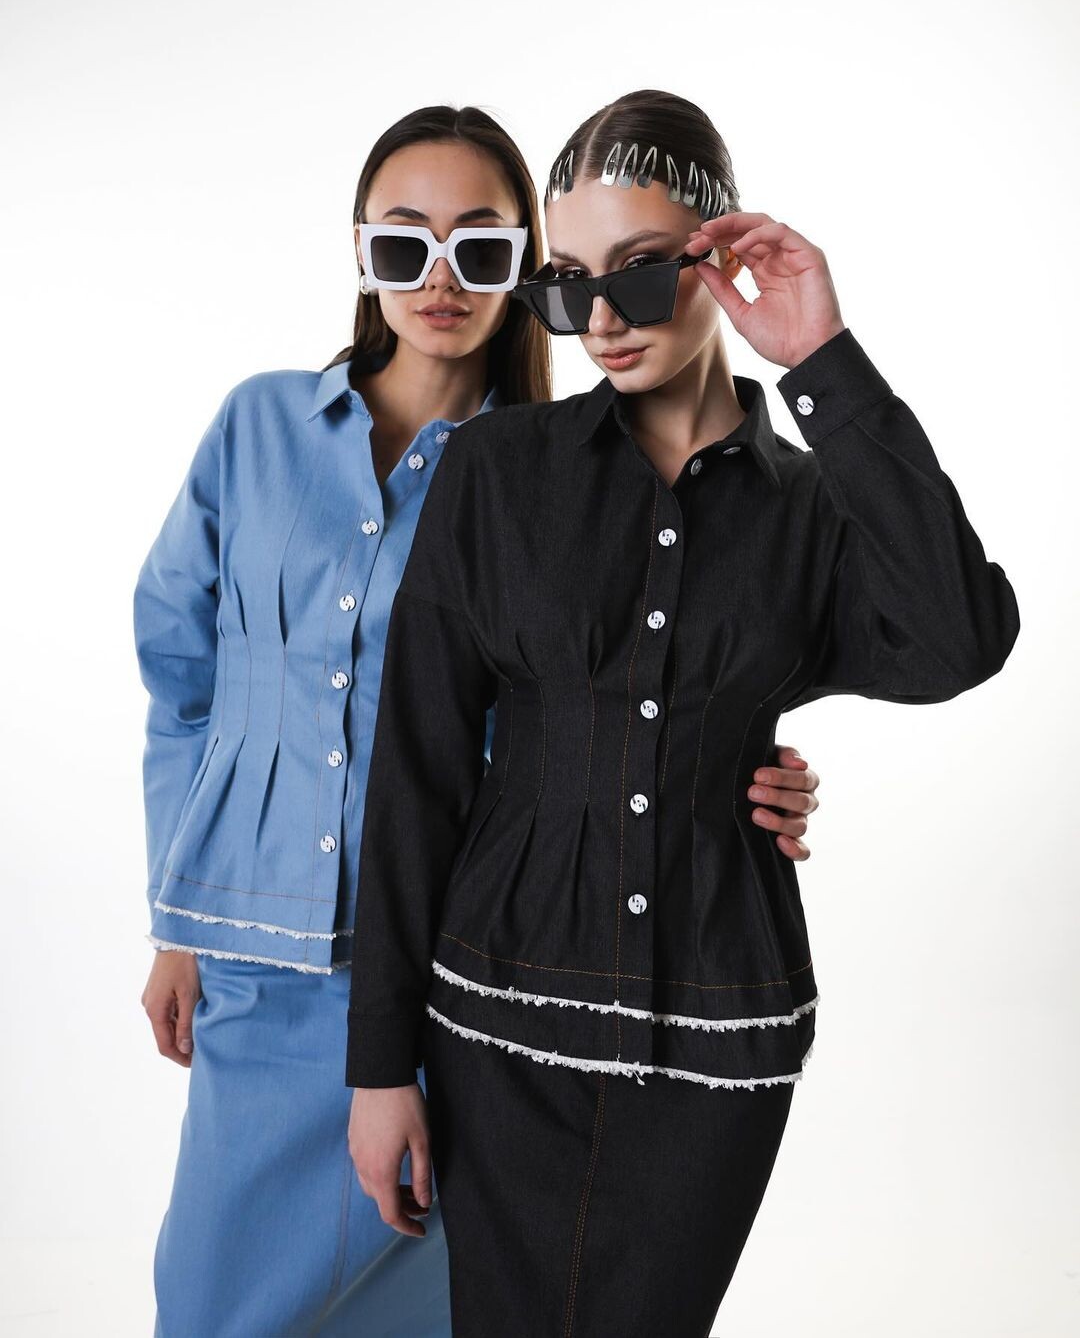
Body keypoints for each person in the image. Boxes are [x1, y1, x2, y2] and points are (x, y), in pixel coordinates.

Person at [134, 102, 823, 1337]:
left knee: (431, 1303)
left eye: (483, 248)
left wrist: (734, 763)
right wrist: (178, 917)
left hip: (460, 969)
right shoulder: (258, 427)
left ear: (527, 269)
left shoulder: (547, 477)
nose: (440, 279)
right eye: (404, 245)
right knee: (211, 1303)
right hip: (256, 958)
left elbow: (640, 680)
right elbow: (180, 670)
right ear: (362, 256)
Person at [343, 89, 1021, 1338]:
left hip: (720, 1031)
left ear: (720, 252)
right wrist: (379, 1065)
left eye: (643, 273)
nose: (602, 318)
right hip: (499, 1022)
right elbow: (417, 774)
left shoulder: (815, 509)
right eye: (568, 285)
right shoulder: (494, 474)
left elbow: (958, 639)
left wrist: (819, 358)